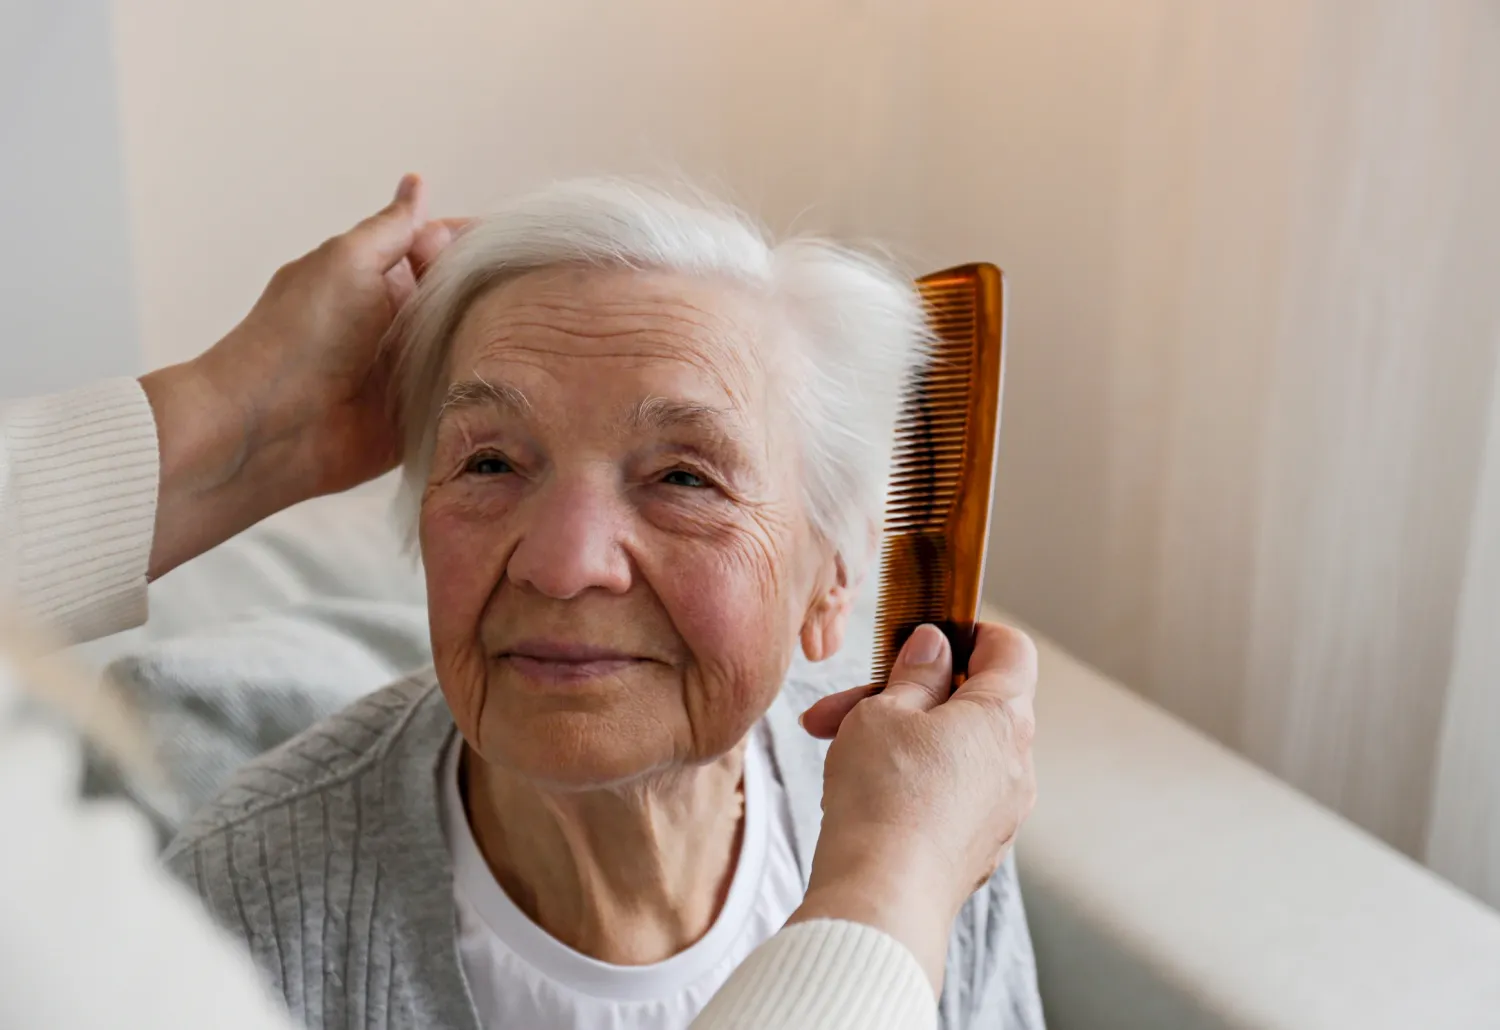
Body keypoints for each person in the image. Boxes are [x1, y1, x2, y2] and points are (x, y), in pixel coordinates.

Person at [0, 175, 1040, 1030]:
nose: (563, 562)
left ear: (832, 583)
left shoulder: (929, 816)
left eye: (684, 476)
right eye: (491, 461)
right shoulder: (238, 911)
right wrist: (888, 886)